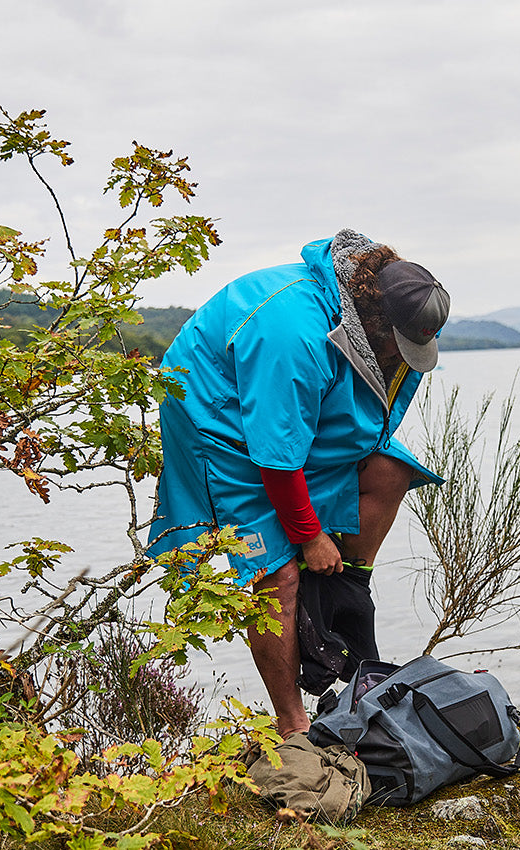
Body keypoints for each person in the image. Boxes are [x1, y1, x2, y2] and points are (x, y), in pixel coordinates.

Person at [149, 228, 450, 736]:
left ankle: (342, 592)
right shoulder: (295, 335)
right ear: (373, 319)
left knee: (389, 469)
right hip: (219, 418)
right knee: (277, 574)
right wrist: (309, 536)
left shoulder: (375, 322)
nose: (401, 355)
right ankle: (294, 726)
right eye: (396, 344)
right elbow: (276, 456)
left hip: (285, 413)